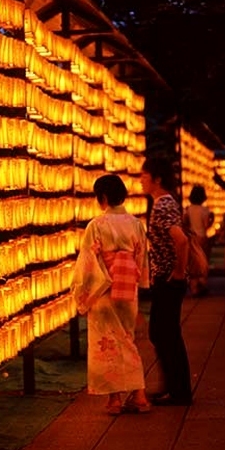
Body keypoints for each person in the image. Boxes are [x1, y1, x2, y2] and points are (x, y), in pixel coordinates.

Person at [70, 174, 151, 415]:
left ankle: (115, 399)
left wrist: (83, 293)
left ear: (102, 197)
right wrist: (141, 282)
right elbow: (142, 257)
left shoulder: (97, 225)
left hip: (103, 291)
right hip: (127, 289)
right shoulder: (136, 224)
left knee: (105, 345)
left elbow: (87, 261)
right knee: (127, 340)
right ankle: (139, 394)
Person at [140, 156, 193, 406]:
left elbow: (181, 240)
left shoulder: (162, 206)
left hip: (167, 278)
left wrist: (179, 272)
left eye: (144, 176)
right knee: (164, 333)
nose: (141, 181)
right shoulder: (167, 202)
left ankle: (178, 390)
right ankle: (174, 386)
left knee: (164, 333)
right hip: (166, 276)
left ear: (156, 179)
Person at [183, 185, 214, 297]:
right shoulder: (204, 210)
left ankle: (194, 288)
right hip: (202, 238)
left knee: (193, 264)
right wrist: (212, 220)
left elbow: (185, 222)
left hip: (192, 238)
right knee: (203, 262)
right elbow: (206, 225)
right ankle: (202, 285)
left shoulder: (188, 209)